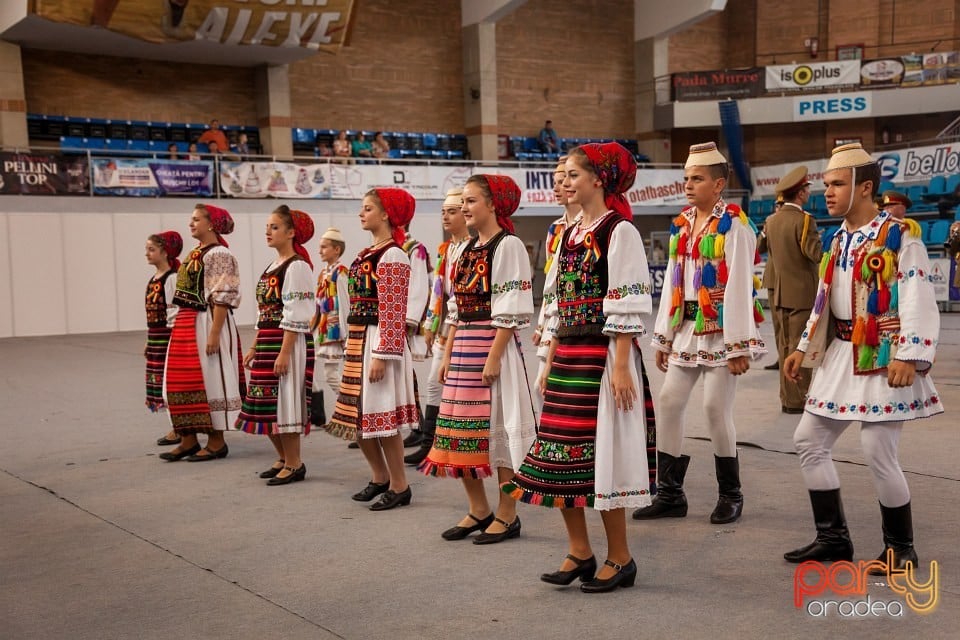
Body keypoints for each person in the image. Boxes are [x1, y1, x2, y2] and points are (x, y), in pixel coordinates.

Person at [782, 143, 943, 571]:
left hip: (884, 355)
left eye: (837, 184)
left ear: (865, 186)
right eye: (827, 184)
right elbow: (825, 299)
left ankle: (900, 549)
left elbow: (915, 294)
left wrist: (910, 354)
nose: (827, 192)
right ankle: (833, 538)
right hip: (841, 354)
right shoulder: (838, 239)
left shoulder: (899, 235)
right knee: (808, 440)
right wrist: (803, 347)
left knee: (877, 448)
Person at [503, 142, 655, 593]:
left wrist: (623, 364)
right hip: (568, 355)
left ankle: (621, 557)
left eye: (572, 174)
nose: (562, 181)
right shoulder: (567, 232)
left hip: (602, 355)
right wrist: (547, 357)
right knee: (557, 458)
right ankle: (580, 551)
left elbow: (627, 297)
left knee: (603, 455)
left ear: (598, 180)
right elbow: (554, 301)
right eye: (561, 174)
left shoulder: (618, 229)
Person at [635, 142, 766, 525]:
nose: (688, 185)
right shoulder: (682, 225)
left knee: (714, 409)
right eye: (686, 178)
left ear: (719, 183)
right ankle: (671, 493)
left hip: (722, 332)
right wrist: (664, 336)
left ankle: (731, 493)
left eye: (697, 178)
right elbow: (673, 288)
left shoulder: (736, 225)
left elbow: (742, 284)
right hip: (687, 330)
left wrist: (739, 344)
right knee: (670, 403)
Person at [418, 174, 537, 545]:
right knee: (459, 434)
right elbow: (455, 307)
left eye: (470, 201)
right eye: (463, 202)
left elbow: (512, 306)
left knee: (497, 432)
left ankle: (507, 514)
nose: (464, 208)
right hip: (465, 344)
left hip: (491, 344)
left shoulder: (509, 245)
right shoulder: (465, 249)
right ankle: (478, 509)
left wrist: (495, 356)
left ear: (493, 204)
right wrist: (448, 353)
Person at [326, 188, 419, 511]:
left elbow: (393, 310)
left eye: (367, 208)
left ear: (386, 214)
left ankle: (399, 484)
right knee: (359, 416)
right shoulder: (367, 252)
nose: (361, 214)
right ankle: (379, 476)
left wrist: (382, 354)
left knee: (382, 416)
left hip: (378, 341)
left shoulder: (393, 254)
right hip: (359, 338)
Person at [236, 207, 316, 485]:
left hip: (288, 342)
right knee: (264, 403)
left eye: (275, 227)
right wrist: (255, 346)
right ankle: (283, 457)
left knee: (286, 401)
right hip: (269, 340)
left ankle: (295, 463)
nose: (268, 231)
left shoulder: (297, 266)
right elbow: (264, 312)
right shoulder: (272, 266)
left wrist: (284, 352)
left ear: (291, 232)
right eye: (267, 226)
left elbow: (297, 312)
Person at [160, 204, 245, 462]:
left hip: (207, 321)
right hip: (187, 323)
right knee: (180, 380)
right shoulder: (195, 253)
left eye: (196, 219)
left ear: (211, 224)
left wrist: (214, 333)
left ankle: (217, 441)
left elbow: (222, 296)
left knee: (211, 379)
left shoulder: (218, 254)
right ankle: (188, 439)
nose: (191, 223)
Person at [405, 188, 472, 466]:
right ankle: (430, 441)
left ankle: (454, 442)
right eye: (443, 211)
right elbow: (438, 292)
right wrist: (430, 324)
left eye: (452, 210)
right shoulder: (448, 249)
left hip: (466, 326)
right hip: (447, 324)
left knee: (463, 386)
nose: (446, 215)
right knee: (435, 382)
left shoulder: (471, 247)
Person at [758, 165, 822, 414]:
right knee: (799, 347)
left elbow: (760, 248)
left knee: (784, 344)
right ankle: (798, 399)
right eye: (806, 188)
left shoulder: (771, 220)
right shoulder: (805, 221)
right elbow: (814, 254)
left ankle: (788, 399)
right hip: (801, 292)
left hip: (778, 292)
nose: (808, 191)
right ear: (801, 193)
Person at [532, 156, 581, 414]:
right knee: (543, 387)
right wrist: (542, 324)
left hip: (577, 316)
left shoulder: (592, 225)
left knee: (563, 389)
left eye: (563, 180)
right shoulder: (555, 228)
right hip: (554, 318)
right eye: (555, 182)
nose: (557, 187)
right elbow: (551, 282)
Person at [145, 231, 183, 446]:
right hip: (156, 337)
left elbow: (174, 313)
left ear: (165, 252)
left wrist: (173, 340)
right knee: (161, 383)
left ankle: (178, 427)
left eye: (152, 249)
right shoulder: (155, 278)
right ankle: (176, 426)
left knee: (170, 384)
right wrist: (148, 340)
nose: (147, 254)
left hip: (167, 337)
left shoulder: (172, 278)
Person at [310, 227, 350, 429]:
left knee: (330, 374)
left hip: (335, 331)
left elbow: (345, 303)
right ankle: (318, 413)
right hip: (323, 330)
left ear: (336, 249)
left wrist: (346, 335)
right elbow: (319, 304)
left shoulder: (340, 273)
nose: (320, 251)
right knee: (317, 372)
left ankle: (352, 409)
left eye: (324, 247)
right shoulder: (323, 273)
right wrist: (312, 325)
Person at [399, 224, 432, 448]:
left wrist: (408, 322)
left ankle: (425, 431)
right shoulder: (396, 247)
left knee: (417, 375)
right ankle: (417, 425)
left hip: (409, 323)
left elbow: (419, 286)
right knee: (407, 377)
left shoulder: (414, 249)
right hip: (396, 321)